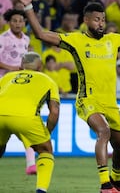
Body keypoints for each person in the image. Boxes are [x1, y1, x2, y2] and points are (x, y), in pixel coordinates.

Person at [14, 0, 120, 192]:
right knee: (104, 132)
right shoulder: (76, 40)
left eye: (103, 19)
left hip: (110, 103)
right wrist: (29, 6)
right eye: (97, 19)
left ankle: (116, 180)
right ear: (86, 20)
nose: (101, 23)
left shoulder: (114, 40)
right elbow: (41, 34)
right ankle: (105, 184)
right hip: (87, 100)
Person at [0, 51, 60, 193]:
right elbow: (55, 111)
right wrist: (47, 132)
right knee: (45, 150)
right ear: (40, 67)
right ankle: (41, 190)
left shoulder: (6, 77)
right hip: (26, 118)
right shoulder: (48, 80)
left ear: (21, 65)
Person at [0, 8, 38, 175]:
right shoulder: (3, 39)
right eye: (14, 21)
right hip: (4, 85)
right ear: (9, 22)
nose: (17, 23)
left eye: (21, 21)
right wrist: (13, 68)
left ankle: (31, 164)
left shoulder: (26, 39)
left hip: (21, 85)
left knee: (27, 120)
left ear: (25, 23)